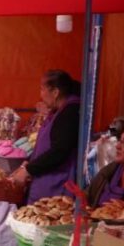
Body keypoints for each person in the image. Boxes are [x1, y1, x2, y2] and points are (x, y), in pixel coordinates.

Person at [11, 70, 81, 204]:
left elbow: (59, 151)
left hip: (57, 185)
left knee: (46, 214)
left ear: (55, 92)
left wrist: (29, 170)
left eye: (42, 89)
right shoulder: (59, 110)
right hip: (46, 180)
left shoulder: (69, 113)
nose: (41, 95)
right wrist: (29, 163)